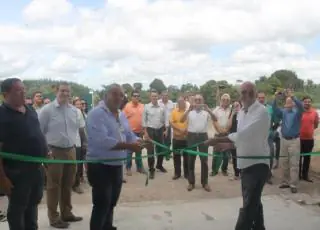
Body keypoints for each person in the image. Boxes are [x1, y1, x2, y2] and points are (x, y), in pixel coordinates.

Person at [206, 81, 270, 230]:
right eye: (243, 92)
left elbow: (243, 135)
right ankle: (259, 227)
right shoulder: (241, 112)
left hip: (257, 166)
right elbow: (242, 140)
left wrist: (217, 139)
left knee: (248, 206)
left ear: (255, 94)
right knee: (254, 201)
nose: (245, 95)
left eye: (249, 92)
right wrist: (227, 145)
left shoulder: (262, 112)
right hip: (244, 164)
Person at [86, 84, 143, 230]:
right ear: (106, 95)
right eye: (114, 94)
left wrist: (137, 141)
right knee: (101, 202)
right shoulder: (96, 114)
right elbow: (103, 141)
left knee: (112, 201)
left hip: (116, 164)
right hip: (99, 165)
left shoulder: (121, 114)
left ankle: (107, 226)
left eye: (121, 95)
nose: (118, 97)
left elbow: (128, 133)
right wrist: (130, 147)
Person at [0, 78, 48, 230]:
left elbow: (38, 134)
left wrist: (46, 152)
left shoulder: (30, 110)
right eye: (18, 90)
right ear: (5, 94)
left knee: (32, 207)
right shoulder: (2, 115)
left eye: (24, 90)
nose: (23, 93)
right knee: (17, 210)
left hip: (36, 169)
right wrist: (3, 178)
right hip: (16, 173)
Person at [39, 82, 87, 228]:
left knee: (68, 183)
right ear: (56, 91)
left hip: (70, 150)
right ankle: (54, 217)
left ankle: (67, 213)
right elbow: (39, 132)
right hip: (54, 151)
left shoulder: (74, 111)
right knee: (54, 185)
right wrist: (45, 152)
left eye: (68, 91)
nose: (65, 94)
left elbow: (78, 131)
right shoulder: (47, 110)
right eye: (62, 91)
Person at [180, 94, 217, 192]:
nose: (197, 101)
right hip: (191, 136)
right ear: (193, 101)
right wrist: (188, 110)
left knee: (204, 160)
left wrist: (208, 109)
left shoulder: (206, 112)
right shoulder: (190, 112)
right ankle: (191, 183)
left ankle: (205, 183)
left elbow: (215, 119)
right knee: (190, 160)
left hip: (203, 137)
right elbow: (181, 120)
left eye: (199, 100)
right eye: (196, 100)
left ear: (203, 101)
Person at [272, 89, 304, 193]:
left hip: (294, 140)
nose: (289, 104)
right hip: (284, 140)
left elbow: (301, 106)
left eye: (291, 102)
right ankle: (285, 182)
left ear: (293, 104)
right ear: (285, 104)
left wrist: (293, 96)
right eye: (287, 102)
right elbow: (275, 109)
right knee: (284, 162)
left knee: (294, 163)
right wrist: (275, 97)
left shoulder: (297, 113)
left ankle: (293, 184)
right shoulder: (284, 112)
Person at [142, 91, 168, 179]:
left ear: (158, 97)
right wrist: (145, 132)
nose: (154, 98)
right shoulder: (146, 107)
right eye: (153, 96)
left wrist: (166, 129)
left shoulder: (162, 106)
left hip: (160, 130)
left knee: (161, 148)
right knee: (150, 151)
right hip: (150, 130)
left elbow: (166, 118)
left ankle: (159, 165)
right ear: (150, 97)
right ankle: (151, 169)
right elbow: (144, 121)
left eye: (156, 96)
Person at [257, 91, 278, 184]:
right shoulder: (253, 108)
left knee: (270, 154)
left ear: (265, 98)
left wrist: (273, 130)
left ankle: (268, 175)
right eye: (259, 97)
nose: (261, 99)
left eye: (263, 97)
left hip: (268, 136)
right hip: (257, 136)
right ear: (256, 98)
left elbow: (275, 120)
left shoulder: (270, 108)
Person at [122, 90, 145, 174]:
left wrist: (144, 130)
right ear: (131, 97)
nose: (136, 97)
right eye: (134, 96)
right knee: (129, 152)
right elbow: (123, 120)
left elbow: (144, 119)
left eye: (138, 96)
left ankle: (139, 167)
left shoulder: (142, 106)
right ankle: (128, 168)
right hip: (130, 133)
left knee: (139, 150)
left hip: (140, 132)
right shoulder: (127, 106)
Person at [211, 93, 232, 176]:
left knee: (226, 155)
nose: (225, 101)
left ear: (229, 101)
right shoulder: (216, 110)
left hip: (227, 134)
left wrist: (226, 130)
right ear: (221, 100)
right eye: (223, 100)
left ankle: (224, 170)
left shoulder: (231, 110)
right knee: (216, 154)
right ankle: (214, 170)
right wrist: (219, 130)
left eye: (227, 100)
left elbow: (232, 121)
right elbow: (214, 121)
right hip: (218, 134)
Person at [299, 96, 318, 182]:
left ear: (311, 103)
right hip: (298, 139)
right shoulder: (299, 112)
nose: (307, 103)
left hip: (309, 140)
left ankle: (305, 175)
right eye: (305, 101)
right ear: (302, 102)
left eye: (309, 101)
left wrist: (309, 131)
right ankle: (298, 175)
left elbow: (316, 125)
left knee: (307, 158)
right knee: (298, 158)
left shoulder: (314, 112)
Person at [170, 96, 189, 180]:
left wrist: (185, 130)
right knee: (176, 157)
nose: (182, 103)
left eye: (183, 102)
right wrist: (180, 130)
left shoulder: (188, 112)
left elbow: (191, 122)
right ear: (178, 103)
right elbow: (171, 123)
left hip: (186, 138)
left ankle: (187, 174)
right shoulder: (174, 112)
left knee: (187, 157)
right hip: (176, 139)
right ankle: (177, 173)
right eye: (180, 102)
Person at [72, 98, 87, 194]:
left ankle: (76, 184)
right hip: (62, 145)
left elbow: (82, 129)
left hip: (76, 143)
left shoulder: (77, 112)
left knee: (76, 165)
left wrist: (84, 142)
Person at [226, 101, 241, 180]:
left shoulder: (244, 114)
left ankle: (243, 173)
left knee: (242, 156)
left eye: (237, 105)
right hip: (233, 138)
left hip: (242, 139)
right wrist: (232, 114)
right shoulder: (232, 115)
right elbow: (228, 126)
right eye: (234, 106)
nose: (236, 107)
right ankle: (236, 173)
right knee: (234, 156)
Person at [158, 91, 175, 157]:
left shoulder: (171, 103)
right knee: (160, 140)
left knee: (168, 140)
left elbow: (173, 113)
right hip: (160, 125)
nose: (165, 97)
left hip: (169, 124)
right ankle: (161, 153)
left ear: (168, 96)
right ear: (161, 96)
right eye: (163, 95)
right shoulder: (158, 102)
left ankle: (167, 153)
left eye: (166, 95)